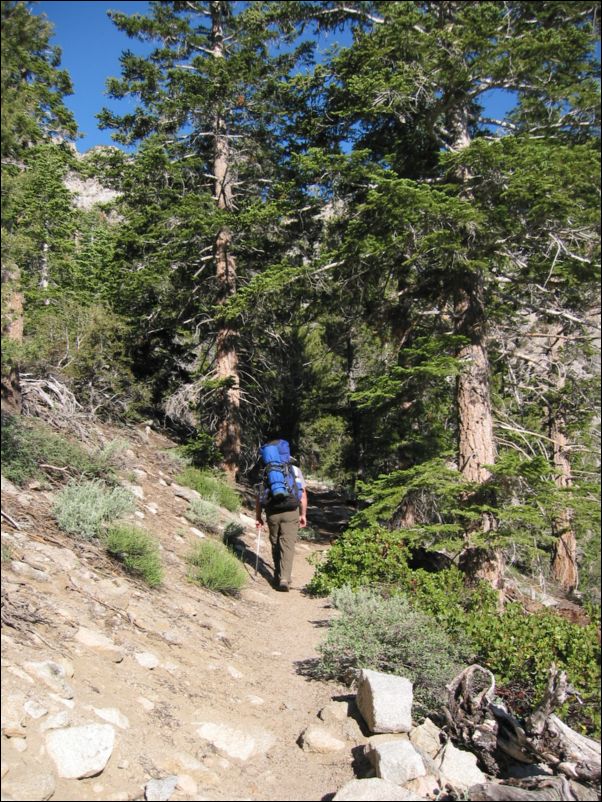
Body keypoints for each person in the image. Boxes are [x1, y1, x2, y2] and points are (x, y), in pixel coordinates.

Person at [255, 449, 307, 591]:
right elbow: (302, 495)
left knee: (275, 542)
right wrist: (303, 515)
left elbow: (259, 496)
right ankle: (284, 578)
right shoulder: (295, 470)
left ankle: (277, 576)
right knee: (287, 544)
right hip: (291, 510)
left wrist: (258, 516)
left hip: (272, 511)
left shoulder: (265, 472)